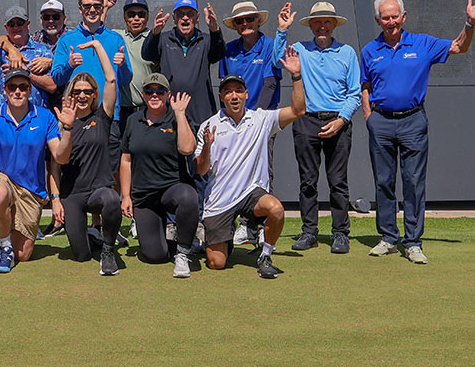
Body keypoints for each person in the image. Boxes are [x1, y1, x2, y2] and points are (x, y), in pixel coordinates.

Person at [361, 0, 475, 264]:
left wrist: (470, 23)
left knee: (413, 183)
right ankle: (388, 238)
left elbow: (459, 47)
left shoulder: (422, 43)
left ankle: (413, 242)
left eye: (395, 16)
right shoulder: (370, 50)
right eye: (385, 17)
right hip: (381, 122)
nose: (391, 21)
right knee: (384, 182)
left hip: (413, 121)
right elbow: (365, 86)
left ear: (404, 17)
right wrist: (369, 116)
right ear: (378, 20)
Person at [194, 48, 305, 279]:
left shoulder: (261, 119)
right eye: (227, 92)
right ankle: (224, 237)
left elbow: (298, 110)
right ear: (221, 97)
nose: (233, 96)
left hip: (251, 194)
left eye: (238, 91)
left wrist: (296, 76)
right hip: (219, 200)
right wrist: (206, 145)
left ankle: (265, 255)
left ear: (246, 94)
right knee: (216, 263)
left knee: (276, 209)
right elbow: (201, 170)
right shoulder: (208, 125)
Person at [0, 68, 74, 273]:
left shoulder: (45, 117)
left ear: (30, 90)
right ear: (5, 90)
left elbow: (60, 156)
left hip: (31, 189)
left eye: (23, 87)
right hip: (1, 178)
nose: (17, 91)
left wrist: (68, 129)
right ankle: (4, 248)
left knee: (23, 255)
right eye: (12, 87)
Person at [286, 2, 361, 254]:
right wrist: (282, 31)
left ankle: (340, 233)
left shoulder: (347, 53)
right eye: (317, 22)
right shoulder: (298, 50)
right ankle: (309, 232)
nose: (322, 26)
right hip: (307, 120)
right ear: (311, 26)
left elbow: (354, 94)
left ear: (333, 25)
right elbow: (277, 58)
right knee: (308, 180)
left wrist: (341, 120)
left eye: (327, 22)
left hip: (338, 121)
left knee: (338, 181)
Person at [219, 0, 294, 246]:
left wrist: (254, 120)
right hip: (233, 123)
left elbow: (270, 83)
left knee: (262, 174)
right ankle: (242, 224)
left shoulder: (270, 46)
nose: (245, 24)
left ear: (258, 21)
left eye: (249, 19)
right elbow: (225, 88)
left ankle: (259, 227)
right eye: (240, 21)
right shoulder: (228, 50)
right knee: (233, 172)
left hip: (261, 123)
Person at [51, 40, 123, 275]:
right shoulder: (61, 122)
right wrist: (55, 199)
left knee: (112, 199)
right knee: (81, 255)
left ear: (94, 95)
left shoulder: (102, 117)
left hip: (98, 190)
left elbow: (111, 80)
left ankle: (108, 250)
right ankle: (93, 237)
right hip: (73, 194)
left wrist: (97, 46)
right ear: (70, 94)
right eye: (77, 91)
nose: (82, 95)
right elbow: (57, 162)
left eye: (87, 91)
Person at [119, 74, 199, 278]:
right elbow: (126, 160)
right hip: (145, 196)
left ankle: (183, 252)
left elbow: (187, 149)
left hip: (172, 188)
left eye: (160, 91)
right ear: (143, 95)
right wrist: (126, 196)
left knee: (189, 197)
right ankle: (169, 243)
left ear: (168, 94)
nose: (155, 95)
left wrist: (180, 114)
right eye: (150, 91)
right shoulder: (132, 120)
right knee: (155, 255)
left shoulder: (176, 117)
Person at [49, 0, 132, 176]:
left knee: (110, 173)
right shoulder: (66, 39)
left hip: (109, 117)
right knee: (74, 171)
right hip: (77, 117)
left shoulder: (115, 39)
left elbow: (126, 80)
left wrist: (123, 66)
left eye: (96, 6)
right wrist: (69, 65)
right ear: (80, 9)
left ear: (102, 8)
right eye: (87, 6)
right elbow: (56, 78)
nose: (92, 10)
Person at [142, 0, 226, 130]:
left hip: (201, 114)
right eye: (180, 14)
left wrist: (215, 30)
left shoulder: (205, 40)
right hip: (170, 115)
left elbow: (219, 53)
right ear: (174, 18)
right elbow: (147, 54)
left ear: (197, 17)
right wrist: (155, 32)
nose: (185, 18)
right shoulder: (164, 39)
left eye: (190, 14)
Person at [0, 0, 56, 109]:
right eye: (11, 24)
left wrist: (25, 72)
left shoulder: (43, 50)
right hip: (6, 118)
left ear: (28, 24)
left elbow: (52, 86)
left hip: (36, 116)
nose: (16, 27)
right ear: (6, 27)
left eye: (20, 23)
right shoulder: (0, 50)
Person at [116, 0, 159, 130]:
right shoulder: (117, 37)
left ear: (147, 17)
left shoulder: (155, 39)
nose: (136, 18)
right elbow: (98, 29)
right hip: (122, 111)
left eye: (141, 14)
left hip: (148, 110)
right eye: (131, 14)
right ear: (124, 17)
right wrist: (105, 7)